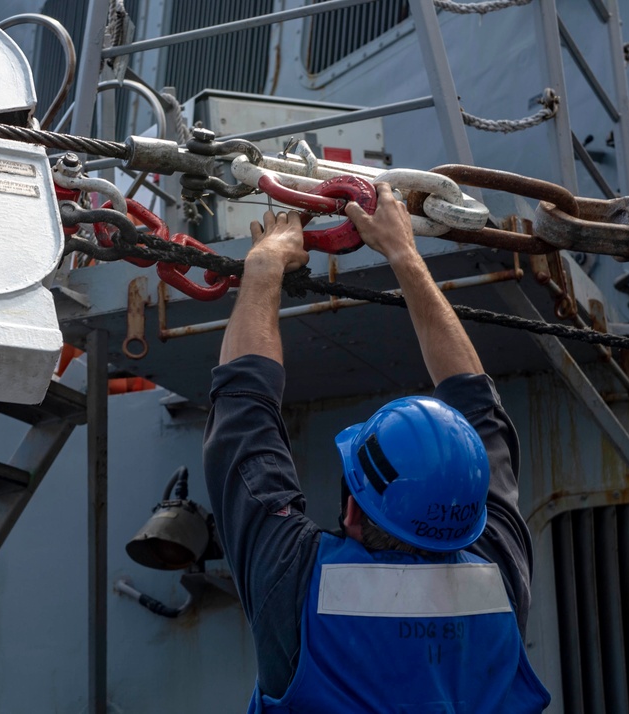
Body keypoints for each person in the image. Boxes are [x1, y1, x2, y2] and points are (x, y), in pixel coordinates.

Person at [202, 183, 551, 712]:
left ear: (351, 511)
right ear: (471, 507)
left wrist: (271, 259)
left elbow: (475, 402)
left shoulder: (297, 582)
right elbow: (242, 410)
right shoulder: (498, 576)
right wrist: (402, 255)